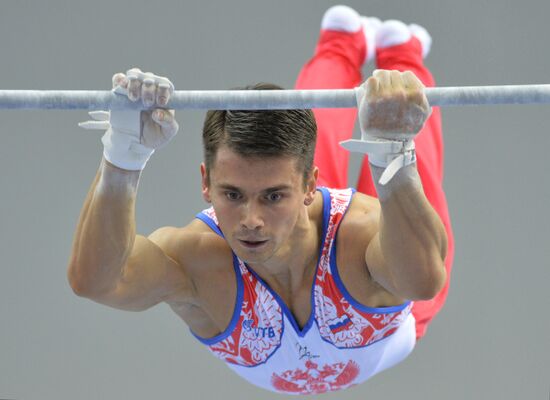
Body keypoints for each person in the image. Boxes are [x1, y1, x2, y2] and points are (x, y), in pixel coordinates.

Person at [69, 5, 453, 395]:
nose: (250, 219)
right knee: (320, 153)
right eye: (232, 194)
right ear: (206, 182)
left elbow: (424, 281)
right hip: (312, 227)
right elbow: (97, 282)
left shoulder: (360, 232)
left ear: (310, 186)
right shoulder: (199, 260)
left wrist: (396, 153)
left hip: (389, 300)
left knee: (407, 162)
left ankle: (401, 55)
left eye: (272, 197)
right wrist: (122, 159)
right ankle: (343, 46)